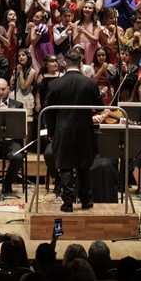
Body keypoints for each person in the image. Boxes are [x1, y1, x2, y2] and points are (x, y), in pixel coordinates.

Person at [46, 48, 109, 212]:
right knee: (83, 165)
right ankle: (87, 200)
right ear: (80, 63)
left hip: (63, 130)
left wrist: (51, 132)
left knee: (65, 165)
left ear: (65, 63)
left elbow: (48, 112)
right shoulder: (90, 83)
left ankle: (67, 203)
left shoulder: (55, 84)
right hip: (84, 130)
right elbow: (100, 107)